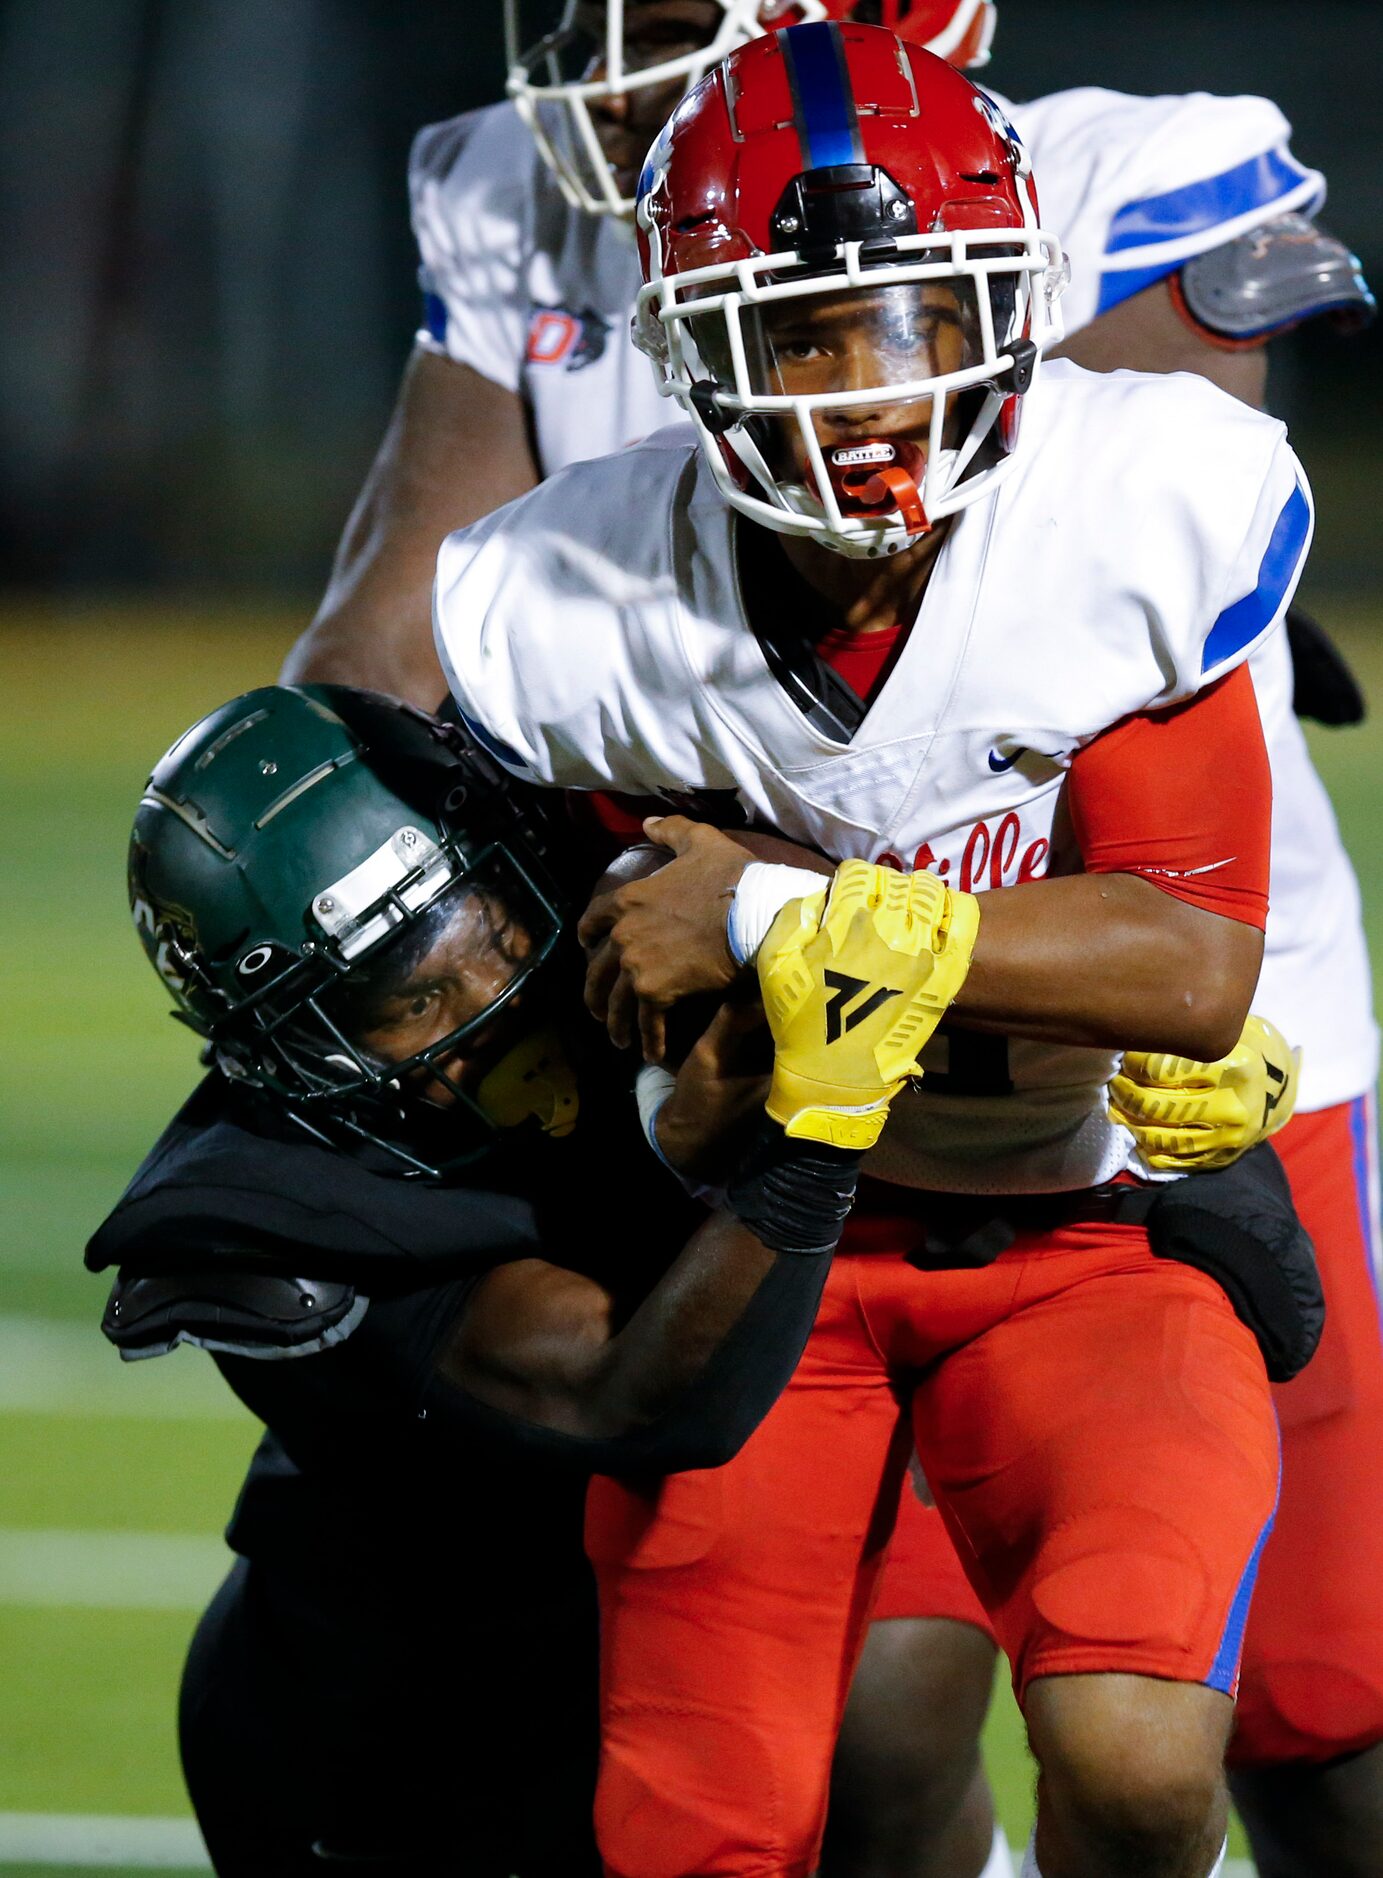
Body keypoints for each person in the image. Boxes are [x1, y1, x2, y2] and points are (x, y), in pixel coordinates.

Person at [285, 5, 1380, 1871]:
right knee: (851, 1757)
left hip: (1165, 1108)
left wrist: (777, 899)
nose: (860, 388)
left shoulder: (1115, 414)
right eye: (800, 332)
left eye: (913, 324)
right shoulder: (563, 578)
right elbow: (385, 692)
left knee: (1297, 1696)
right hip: (820, 1185)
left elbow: (1153, 895)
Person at [87, 681, 886, 1875]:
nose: (487, 1001)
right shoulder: (263, 1222)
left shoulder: (612, 897)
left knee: (903, 1728)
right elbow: (639, 1399)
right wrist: (818, 1133)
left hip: (643, 1666)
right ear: (287, 1046)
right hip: (394, 1748)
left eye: (488, 930)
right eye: (404, 999)